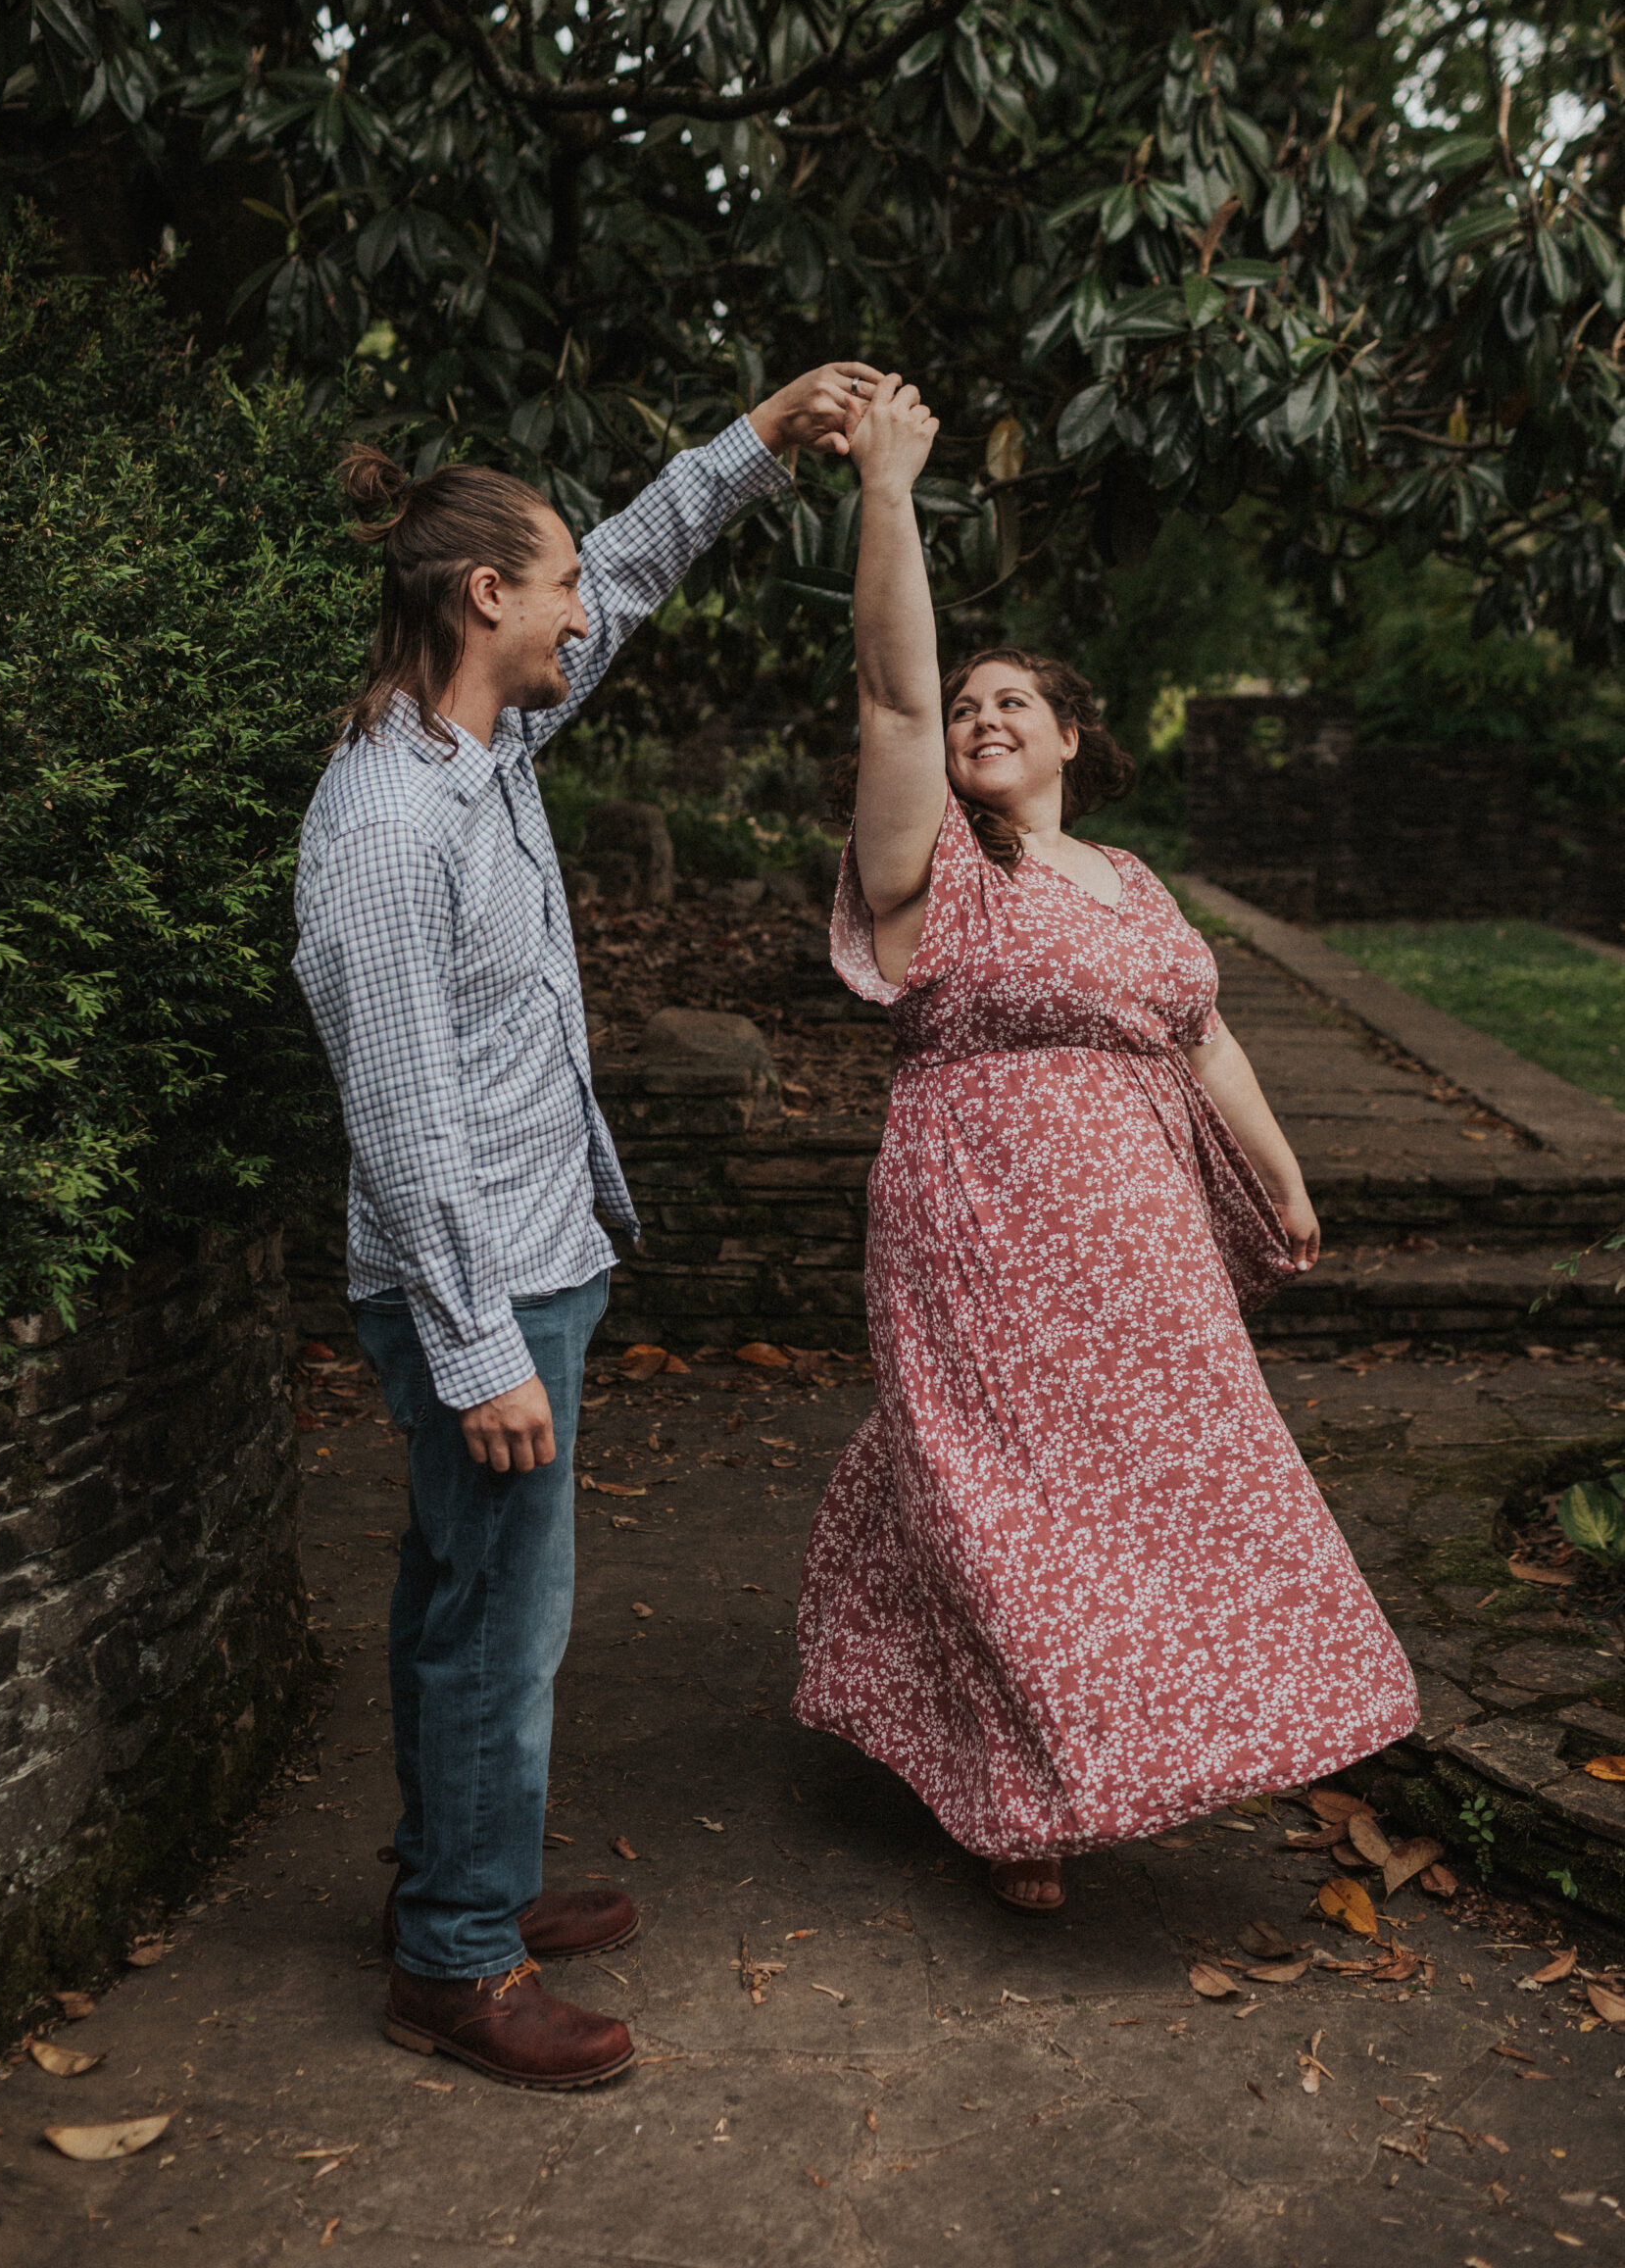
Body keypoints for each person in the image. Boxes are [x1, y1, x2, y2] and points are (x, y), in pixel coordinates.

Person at [293, 362, 881, 2087]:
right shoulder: (392, 825)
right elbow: (400, 1118)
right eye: (550, 585)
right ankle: (455, 1964)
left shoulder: (488, 743)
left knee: (453, 1600)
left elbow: (626, 566)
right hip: (481, 1293)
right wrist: (482, 1349)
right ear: (486, 596)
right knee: (499, 1625)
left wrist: (759, 442)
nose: (579, 610)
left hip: (535, 1259)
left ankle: (445, 1881)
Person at [792, 376, 1419, 1913]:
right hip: (980, 1218)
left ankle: (1098, 1732)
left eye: (1015, 703)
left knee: (1168, 1481)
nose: (980, 717)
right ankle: (1020, 1801)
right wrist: (888, 487)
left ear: (1073, 736)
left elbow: (1203, 1035)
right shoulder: (931, 863)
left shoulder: (1132, 883)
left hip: (1144, 1241)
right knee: (992, 1484)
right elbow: (887, 690)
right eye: (969, 706)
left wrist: (1279, 1175)